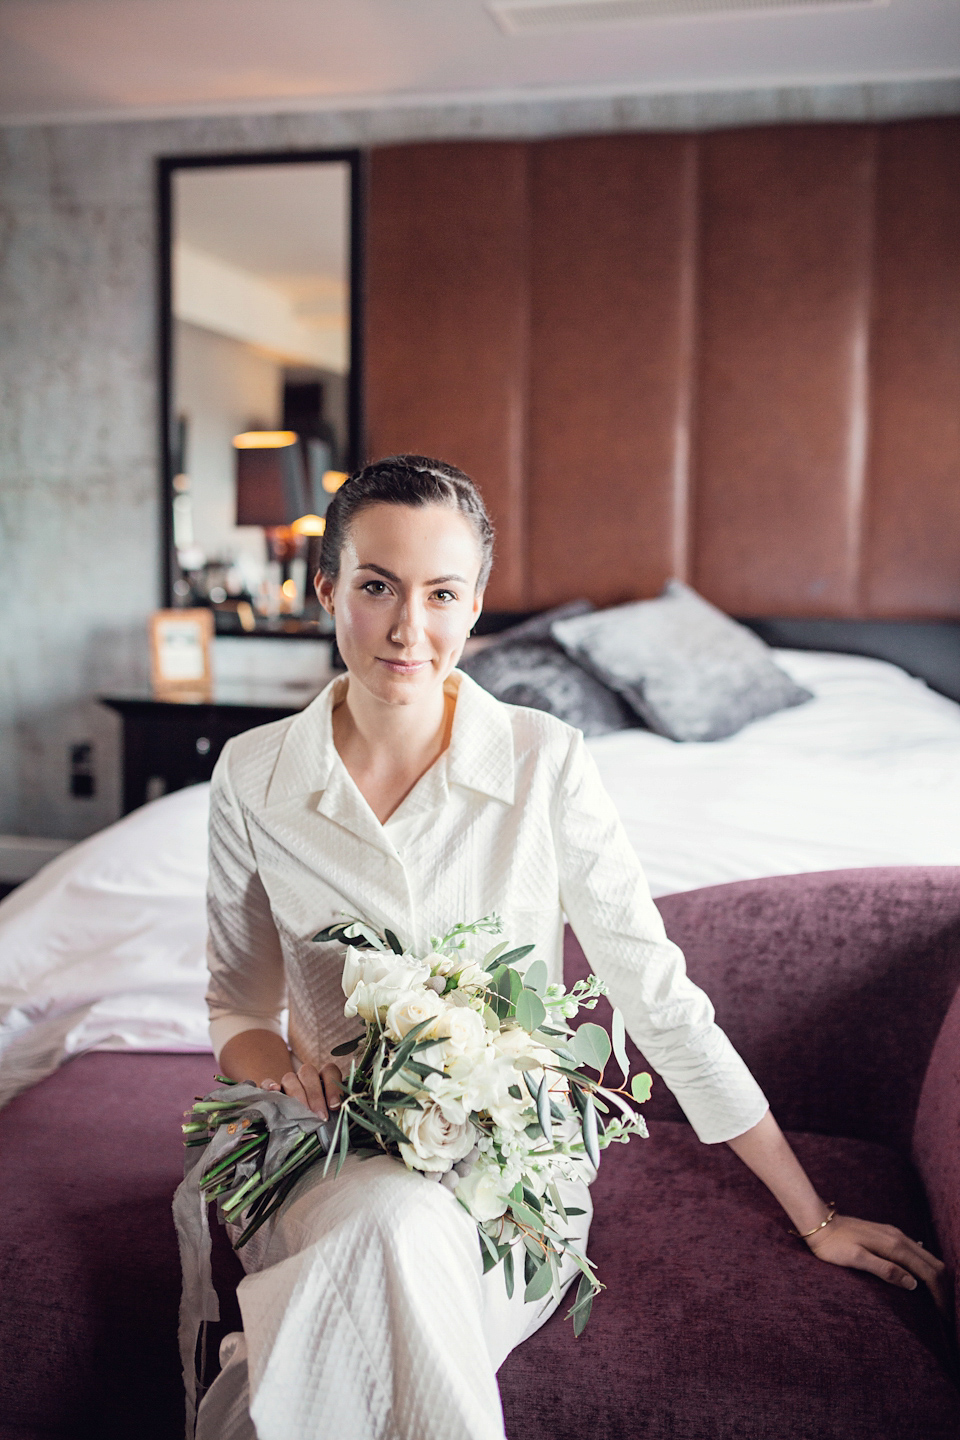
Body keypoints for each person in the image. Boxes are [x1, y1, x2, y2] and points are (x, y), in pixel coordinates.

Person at [197, 455, 945, 1440]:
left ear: (475, 609)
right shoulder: (254, 776)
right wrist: (286, 1075)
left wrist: (816, 1217)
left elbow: (655, 992)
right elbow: (238, 1008)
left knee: (364, 1281)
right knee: (382, 1222)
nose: (406, 628)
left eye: (440, 594)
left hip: (510, 1170)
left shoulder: (547, 763)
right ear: (328, 587)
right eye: (375, 586)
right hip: (328, 1158)